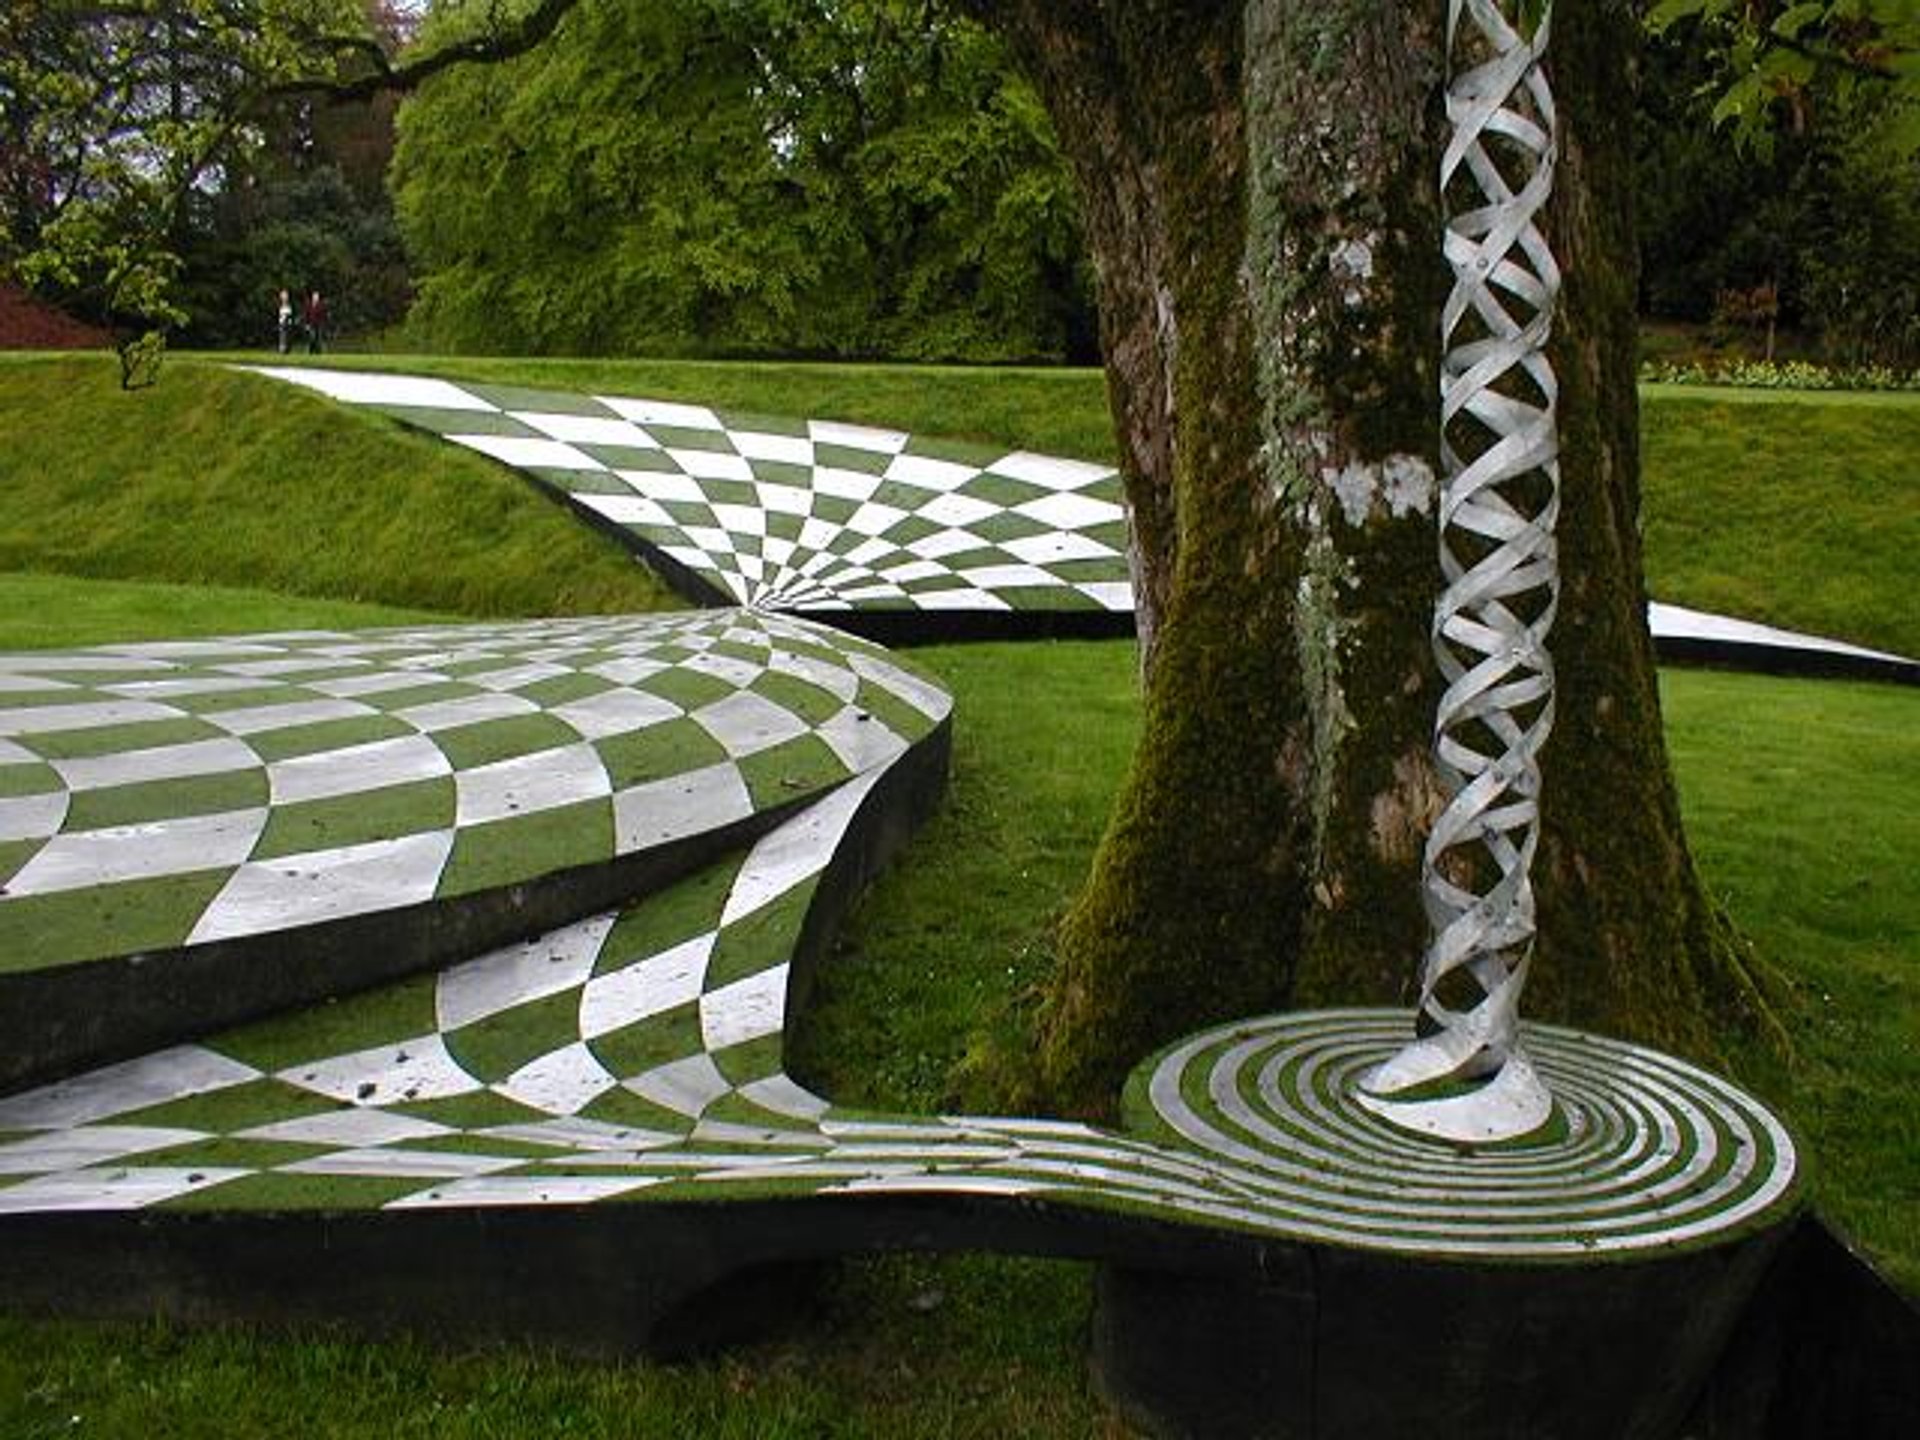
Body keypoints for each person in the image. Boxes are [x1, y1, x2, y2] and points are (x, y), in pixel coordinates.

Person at [275, 289, 293, 354]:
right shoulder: (279, 304)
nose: (284, 297)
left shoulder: (289, 304)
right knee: (282, 336)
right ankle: (281, 350)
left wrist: (288, 319)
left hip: (287, 323)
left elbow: (290, 314)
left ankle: (286, 350)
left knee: (287, 337)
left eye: (285, 296)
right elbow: (278, 314)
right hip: (281, 322)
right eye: (283, 296)